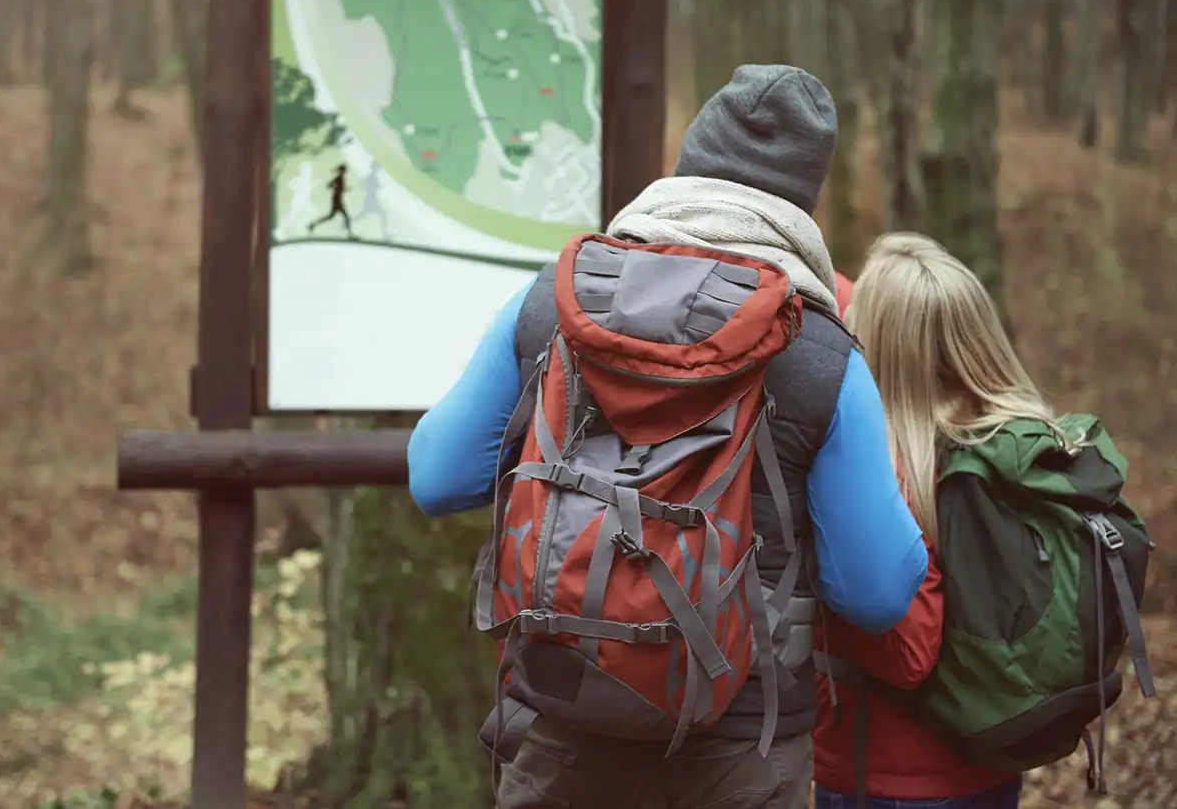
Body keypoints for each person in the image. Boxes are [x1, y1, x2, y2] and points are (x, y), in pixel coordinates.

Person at [408, 65, 927, 809]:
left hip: (559, 724)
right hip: (738, 747)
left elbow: (436, 478)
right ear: (802, 202)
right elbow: (876, 592)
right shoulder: (822, 357)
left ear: (685, 170)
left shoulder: (549, 309)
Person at [812, 233, 1041, 809]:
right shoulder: (1016, 445)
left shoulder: (891, 472)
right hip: (993, 761)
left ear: (878, 340)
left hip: (887, 781)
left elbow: (909, 653)